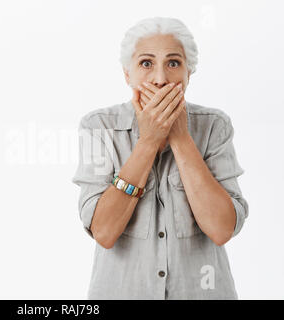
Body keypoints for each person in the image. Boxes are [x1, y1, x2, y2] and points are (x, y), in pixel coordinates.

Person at [71, 16, 248, 299]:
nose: (160, 78)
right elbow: (103, 231)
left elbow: (221, 229)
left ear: (189, 72)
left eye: (173, 63)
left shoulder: (215, 126)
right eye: (146, 63)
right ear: (127, 74)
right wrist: (149, 141)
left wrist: (180, 138)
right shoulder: (98, 127)